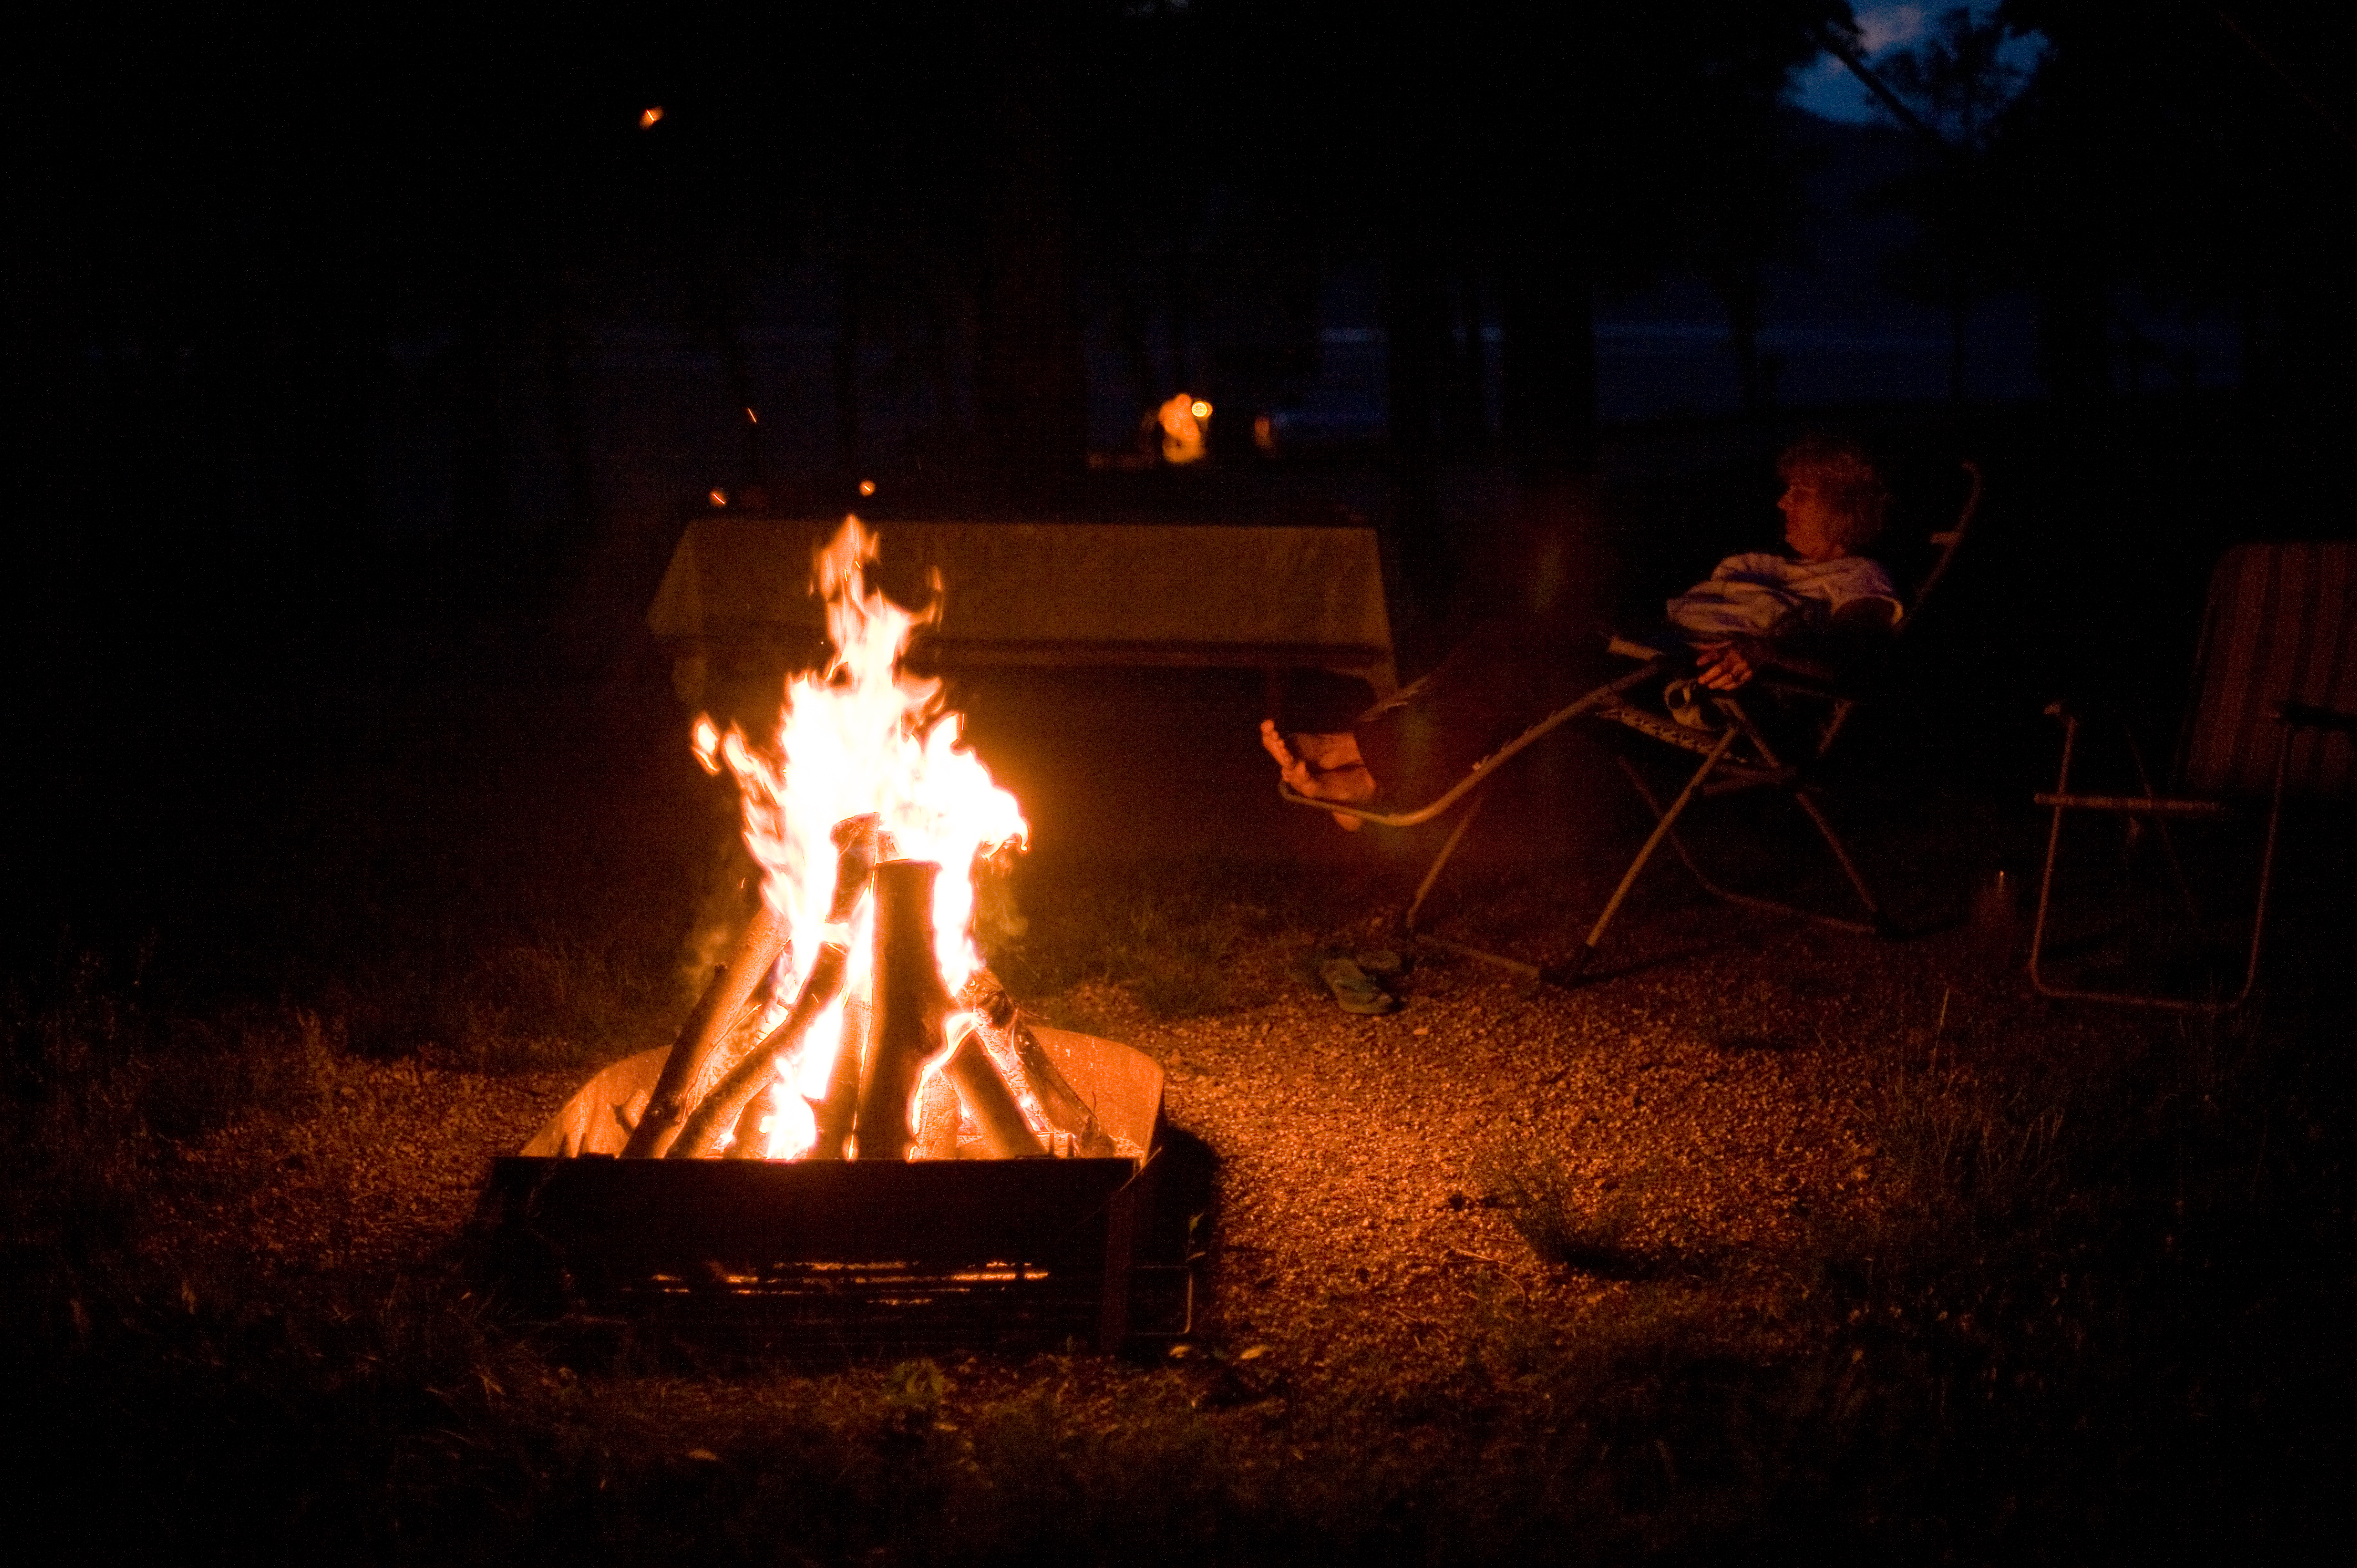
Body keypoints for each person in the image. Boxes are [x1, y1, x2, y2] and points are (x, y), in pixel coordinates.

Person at [1262, 435, 1900, 828]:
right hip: (1649, 655)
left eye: (1802, 493)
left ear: (1844, 509)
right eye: (1786, 490)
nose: (1783, 504)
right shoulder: (1763, 565)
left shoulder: (1856, 579)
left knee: (1526, 674)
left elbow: (1860, 653)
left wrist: (1767, 651)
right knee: (1501, 638)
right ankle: (1362, 763)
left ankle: (1359, 765)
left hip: (1710, 703)